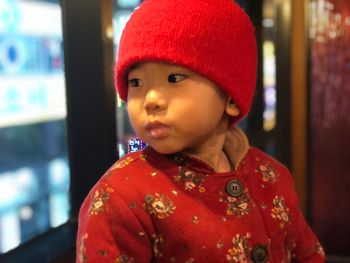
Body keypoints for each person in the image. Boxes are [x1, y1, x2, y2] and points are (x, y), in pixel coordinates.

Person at [76, 0, 325, 262]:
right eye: (136, 82)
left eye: (174, 78)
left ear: (230, 97)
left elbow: (307, 254)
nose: (150, 100)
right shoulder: (119, 197)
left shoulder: (271, 176)